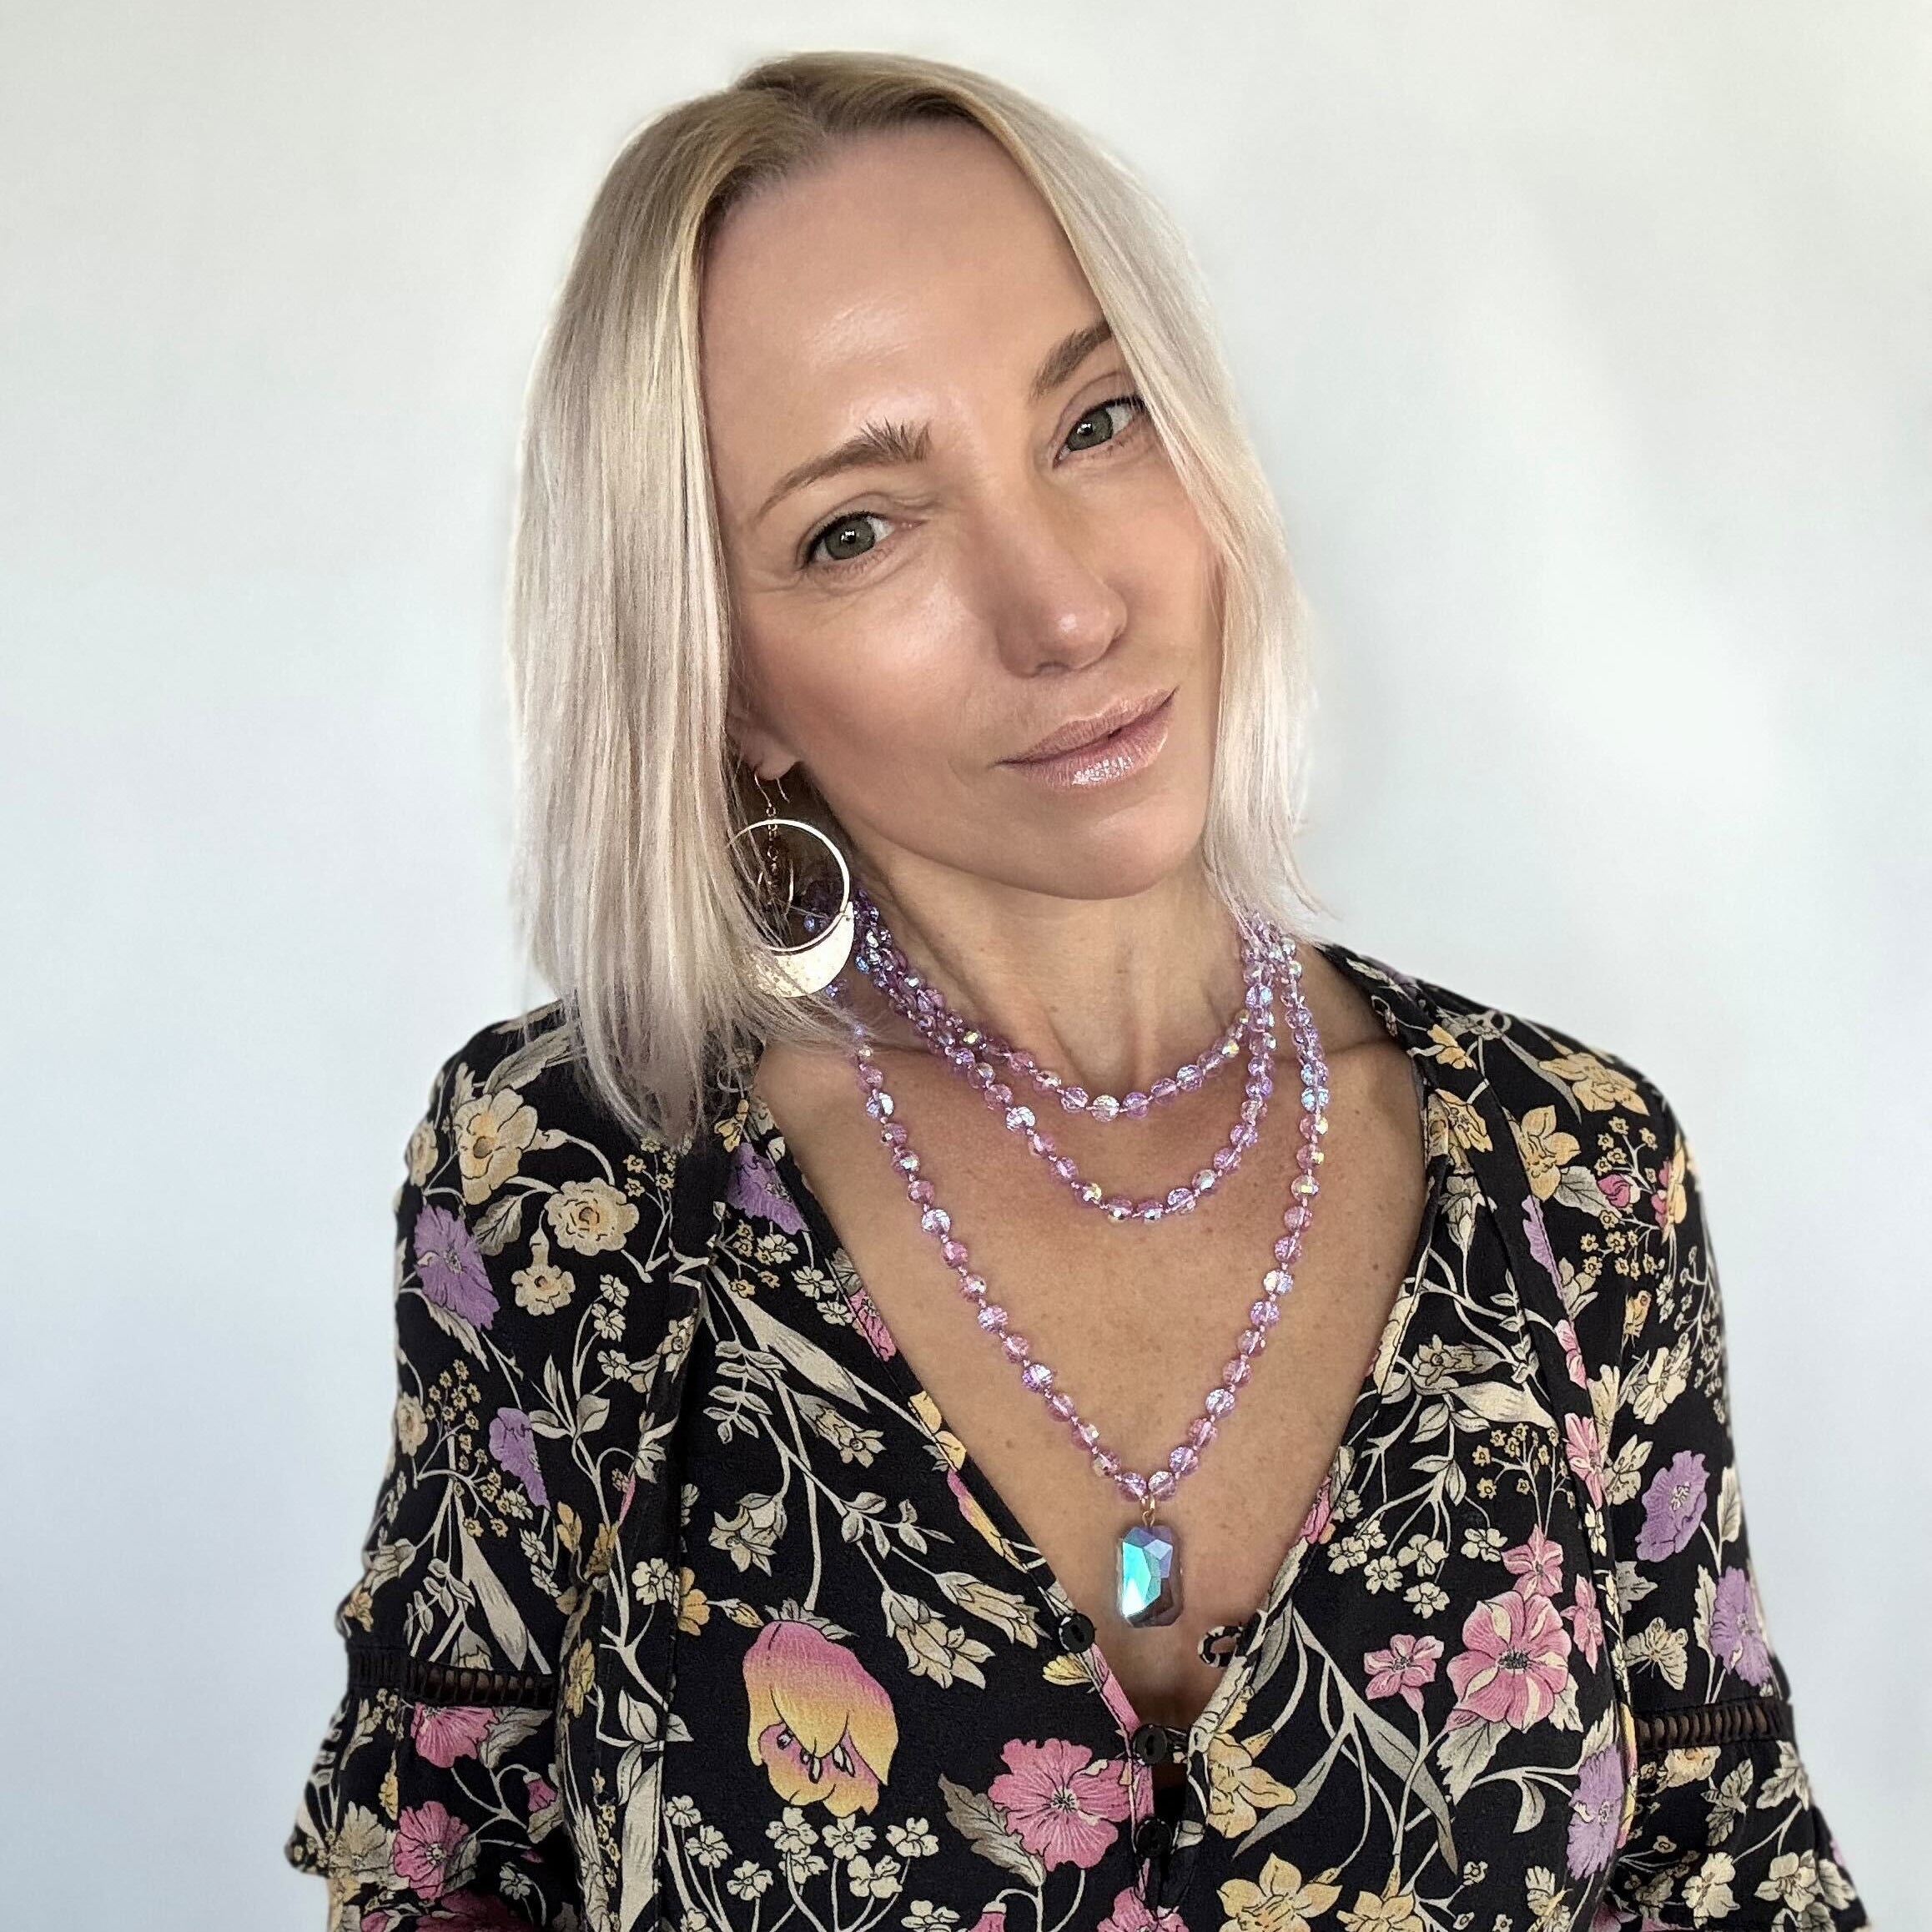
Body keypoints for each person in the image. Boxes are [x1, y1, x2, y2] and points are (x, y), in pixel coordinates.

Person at [284, 49, 1866, 1932]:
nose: (1066, 611)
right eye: (857, 529)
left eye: (1099, 419)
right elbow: (444, 1882)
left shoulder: (1576, 1175)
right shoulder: (575, 1184)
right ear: (732, 685)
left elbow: (1730, 1872)